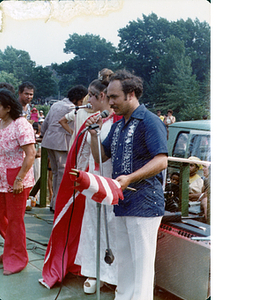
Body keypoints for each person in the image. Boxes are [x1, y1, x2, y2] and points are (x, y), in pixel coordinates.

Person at [86, 69, 168, 300]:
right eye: (108, 97)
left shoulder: (150, 121)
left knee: (142, 264)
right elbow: (101, 156)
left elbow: (161, 160)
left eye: (114, 97)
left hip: (145, 202)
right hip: (122, 200)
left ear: (130, 94)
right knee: (125, 260)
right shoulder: (118, 124)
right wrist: (93, 135)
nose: (110, 102)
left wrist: (131, 178)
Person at [74, 72, 121, 294]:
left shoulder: (117, 122)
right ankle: (94, 271)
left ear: (101, 95)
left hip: (111, 181)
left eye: (91, 96)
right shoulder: (93, 120)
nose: (88, 102)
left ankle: (113, 273)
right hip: (93, 180)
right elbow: (92, 156)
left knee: (111, 226)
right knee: (93, 225)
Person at [0, 88, 36, 275]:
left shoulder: (21, 125)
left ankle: (17, 257)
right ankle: (10, 248)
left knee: (14, 220)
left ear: (7, 107)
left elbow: (30, 154)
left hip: (16, 179)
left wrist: (19, 179)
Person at [40, 85, 88, 211]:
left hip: (49, 141)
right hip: (61, 142)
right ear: (78, 98)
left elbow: (45, 122)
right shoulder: (73, 108)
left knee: (55, 173)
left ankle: (53, 202)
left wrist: (43, 135)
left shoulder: (56, 104)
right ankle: (58, 205)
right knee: (62, 173)